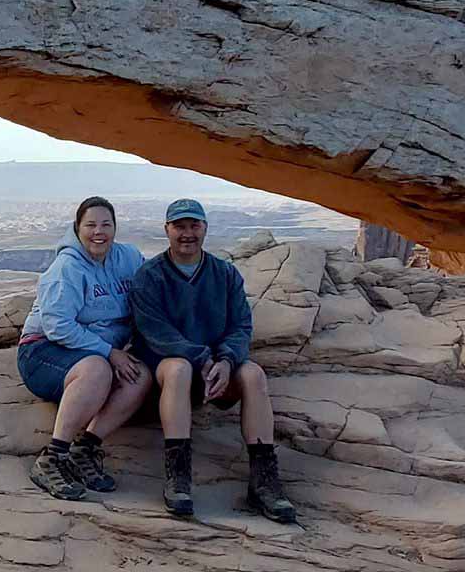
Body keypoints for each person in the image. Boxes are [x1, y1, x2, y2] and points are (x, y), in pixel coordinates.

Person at [130, 198, 296, 523]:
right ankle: (178, 478)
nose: (187, 233)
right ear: (167, 230)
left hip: (217, 369)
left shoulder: (224, 274)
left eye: (194, 226)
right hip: (171, 369)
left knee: (254, 375)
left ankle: (263, 482)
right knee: (178, 368)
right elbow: (156, 332)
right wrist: (203, 358)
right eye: (180, 226)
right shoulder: (150, 276)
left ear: (205, 228)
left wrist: (226, 360)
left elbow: (241, 325)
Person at [18, 196, 152, 501]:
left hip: (93, 352)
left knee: (140, 375)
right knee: (97, 369)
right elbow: (56, 326)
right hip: (42, 352)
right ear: (77, 228)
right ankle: (52, 458)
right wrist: (109, 351)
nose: (98, 232)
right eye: (90, 225)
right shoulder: (67, 268)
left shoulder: (128, 258)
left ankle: (85, 449)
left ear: (116, 228)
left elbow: (152, 288)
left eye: (106, 224)